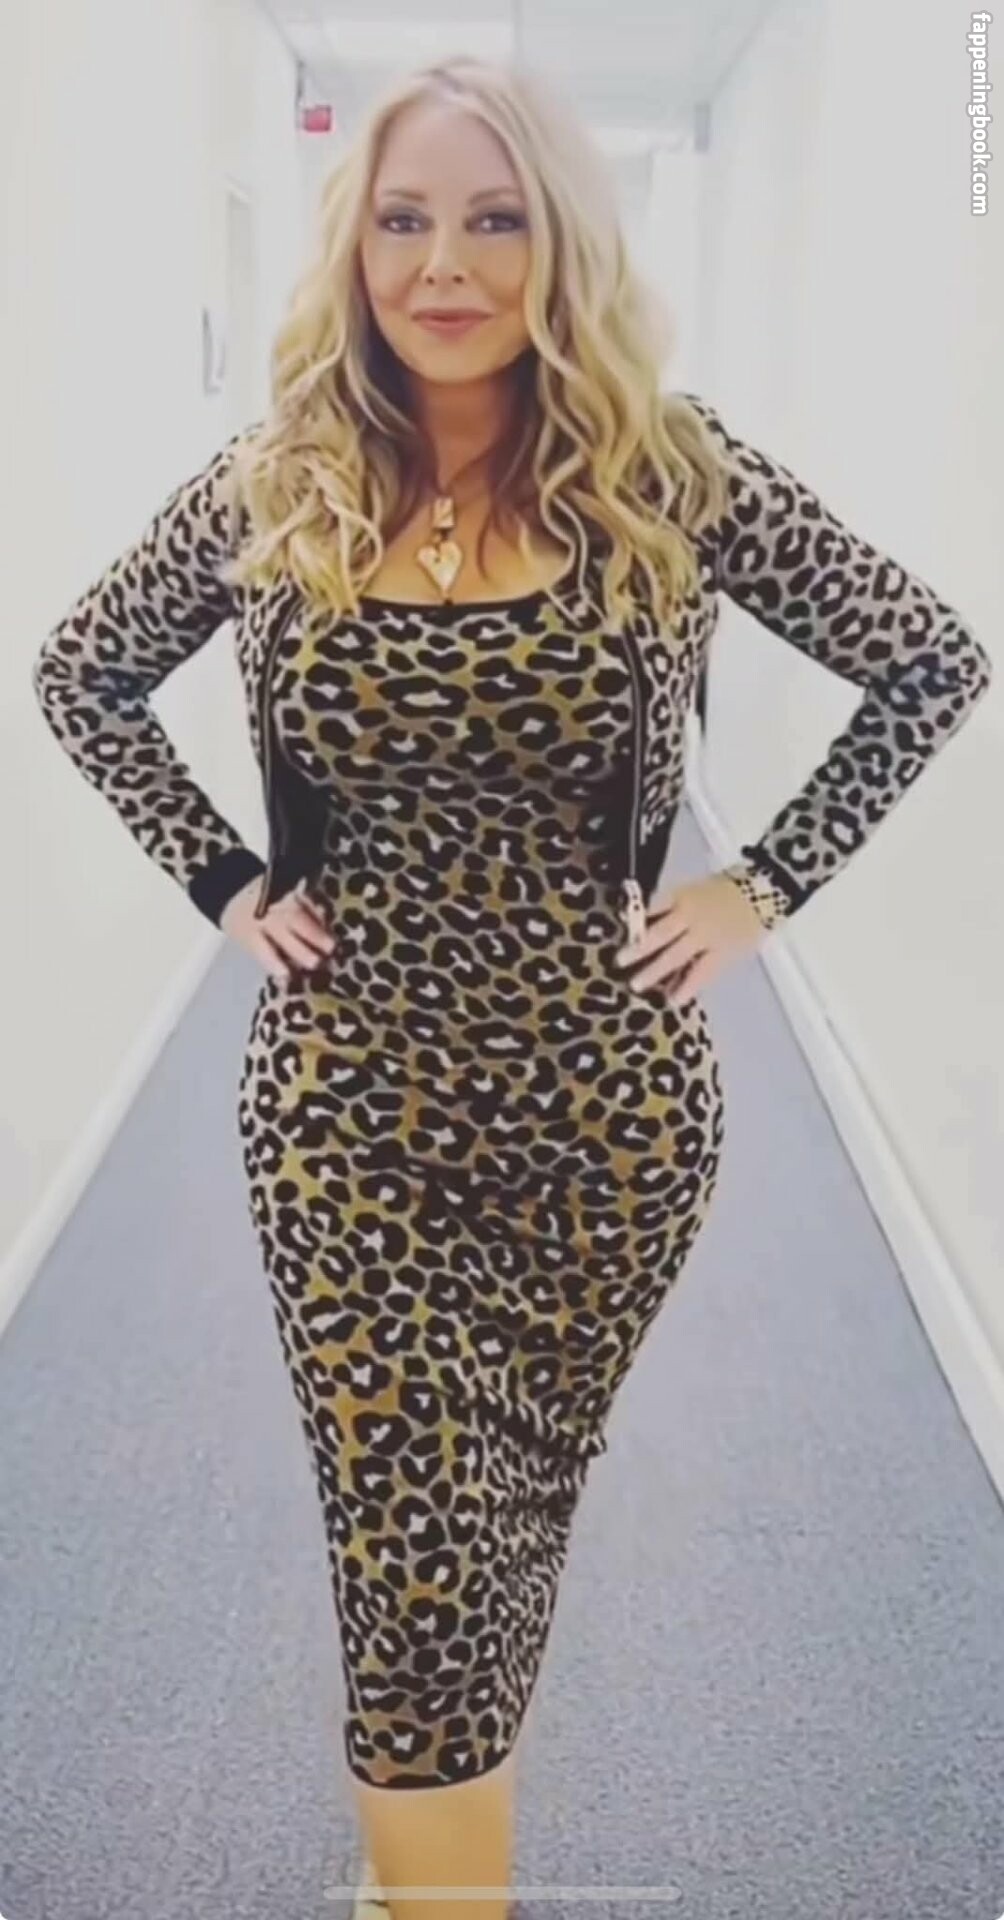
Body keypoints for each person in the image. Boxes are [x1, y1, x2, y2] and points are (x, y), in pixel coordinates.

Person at [31, 54, 992, 1920]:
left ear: (563, 242)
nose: (445, 265)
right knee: (407, 1564)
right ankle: (442, 1885)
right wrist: (225, 880)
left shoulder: (669, 475)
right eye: (404, 219)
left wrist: (762, 886)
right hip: (346, 1117)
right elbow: (82, 676)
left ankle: (436, 1835)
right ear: (354, 244)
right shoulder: (277, 485)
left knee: (506, 1525)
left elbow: (931, 662)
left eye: (495, 219)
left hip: (606, 1127)